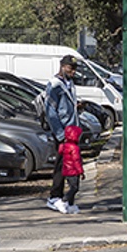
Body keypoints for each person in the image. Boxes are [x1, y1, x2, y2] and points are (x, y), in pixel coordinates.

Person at [43, 55, 80, 213]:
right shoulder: (54, 85)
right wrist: (60, 134)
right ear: (62, 67)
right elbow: (51, 112)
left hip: (72, 132)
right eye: (70, 69)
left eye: (74, 70)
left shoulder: (69, 83)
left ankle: (68, 199)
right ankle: (55, 197)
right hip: (64, 133)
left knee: (71, 165)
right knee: (60, 165)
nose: (72, 72)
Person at [56, 125, 85, 213]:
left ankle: (71, 205)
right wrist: (81, 171)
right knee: (75, 188)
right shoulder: (75, 148)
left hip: (66, 170)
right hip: (73, 171)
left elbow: (60, 151)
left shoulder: (65, 146)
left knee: (72, 187)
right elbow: (76, 161)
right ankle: (63, 201)